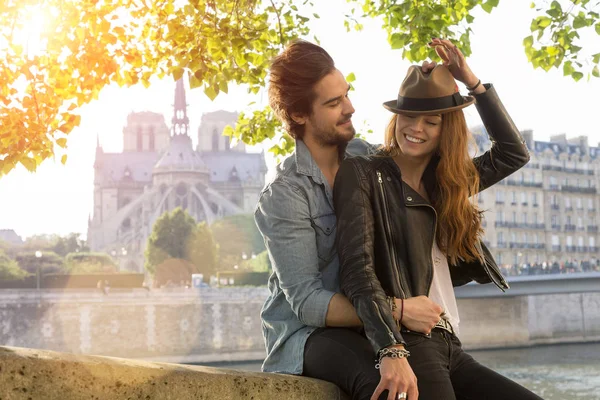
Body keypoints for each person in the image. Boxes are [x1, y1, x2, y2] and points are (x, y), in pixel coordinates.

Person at [334, 38, 543, 399]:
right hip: (410, 340)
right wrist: (390, 347)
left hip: (449, 341)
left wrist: (471, 81)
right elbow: (358, 269)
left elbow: (513, 152)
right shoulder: (365, 173)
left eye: (431, 121)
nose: (416, 128)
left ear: (447, 129)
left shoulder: (448, 182)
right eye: (409, 116)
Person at [254, 40, 443, 399]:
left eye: (346, 95)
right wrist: (398, 310)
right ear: (299, 116)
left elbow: (436, 167)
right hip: (307, 336)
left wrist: (432, 92)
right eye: (334, 103)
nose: (350, 108)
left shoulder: (367, 157)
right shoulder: (284, 194)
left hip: (367, 326)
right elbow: (309, 303)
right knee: (388, 388)